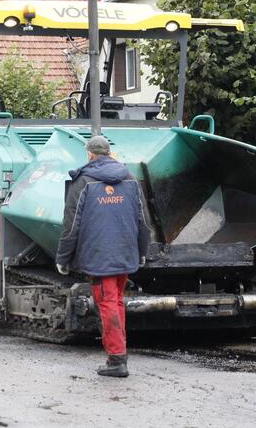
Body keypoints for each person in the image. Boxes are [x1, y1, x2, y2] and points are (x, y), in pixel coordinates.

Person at [55, 136, 150, 378]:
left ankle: (117, 360)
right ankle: (120, 354)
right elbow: (142, 222)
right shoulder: (130, 179)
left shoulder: (83, 181)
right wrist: (141, 252)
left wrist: (63, 258)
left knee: (107, 304)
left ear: (90, 155)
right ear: (109, 153)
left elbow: (71, 225)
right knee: (116, 302)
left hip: (100, 256)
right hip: (125, 252)